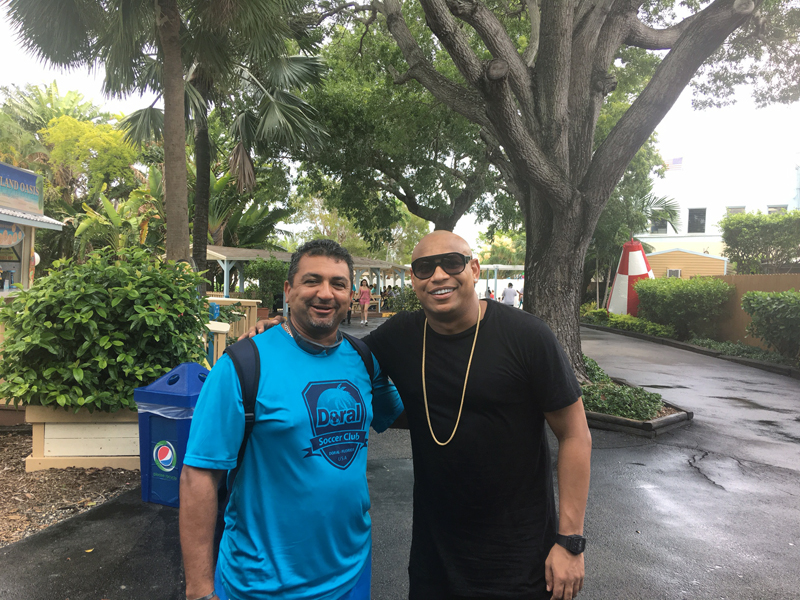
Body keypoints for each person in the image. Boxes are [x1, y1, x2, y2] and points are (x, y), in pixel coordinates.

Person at [245, 231, 592, 600]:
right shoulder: (401, 335)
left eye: (452, 263)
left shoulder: (527, 336)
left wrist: (570, 542)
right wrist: (282, 332)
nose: (439, 275)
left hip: (520, 556)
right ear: (414, 279)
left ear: (474, 269)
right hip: (435, 559)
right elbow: (336, 355)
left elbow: (575, 434)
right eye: (425, 268)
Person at [180, 239, 403, 600]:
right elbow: (199, 475)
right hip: (261, 584)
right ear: (288, 290)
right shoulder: (242, 365)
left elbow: (397, 415)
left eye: (338, 284)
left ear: (351, 295)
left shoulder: (363, 359)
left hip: (352, 572)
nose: (325, 293)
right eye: (312, 280)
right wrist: (200, 590)